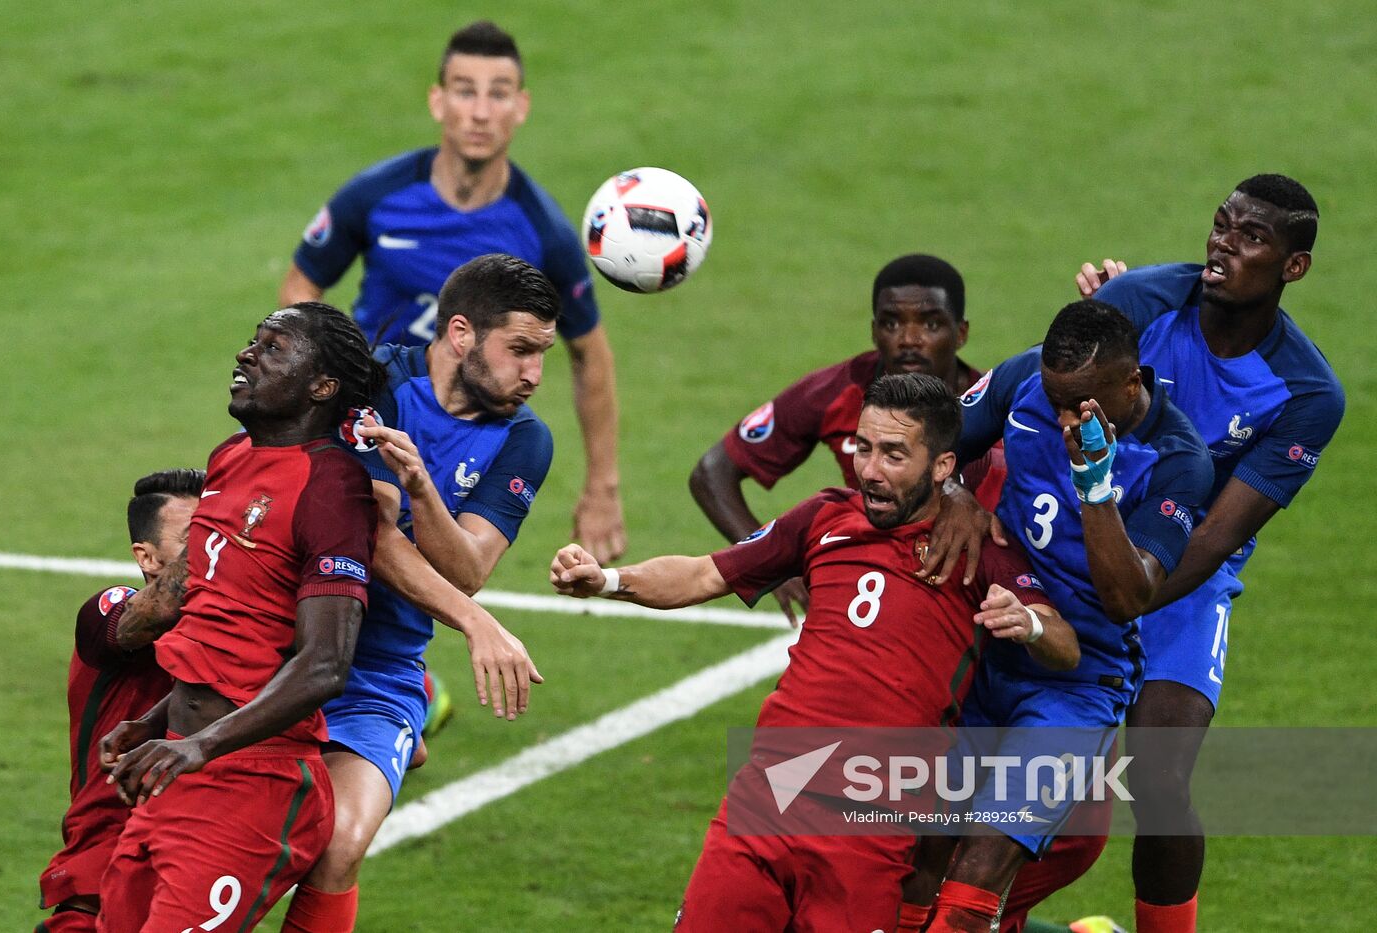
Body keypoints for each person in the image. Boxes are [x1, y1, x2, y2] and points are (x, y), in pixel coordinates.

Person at [553, 373, 1078, 932]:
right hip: (772, 793)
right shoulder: (825, 517)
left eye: (894, 455)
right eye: (864, 448)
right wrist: (607, 580)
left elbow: (1065, 646)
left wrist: (1027, 625)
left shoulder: (976, 551)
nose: (871, 471)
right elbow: (704, 574)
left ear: (943, 468)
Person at [1078, 174, 1344, 933]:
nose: (1224, 242)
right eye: (1222, 224)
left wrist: (1121, 602)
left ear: (1293, 268)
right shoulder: (1139, 305)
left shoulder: (1306, 393)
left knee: (1159, 777)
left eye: (1251, 237)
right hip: (1077, 547)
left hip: (1182, 578)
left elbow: (1217, 534)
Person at [900, 301, 1215, 933]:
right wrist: (958, 491)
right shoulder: (1024, 382)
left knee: (979, 870)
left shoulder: (1179, 462)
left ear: (1133, 385)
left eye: (1083, 405)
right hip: (983, 647)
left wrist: (1093, 482)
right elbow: (935, 450)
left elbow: (1129, 598)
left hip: (1075, 685)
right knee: (920, 858)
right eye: (1056, 399)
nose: (1065, 417)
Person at [280, 19, 626, 563]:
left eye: (499, 94)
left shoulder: (543, 231)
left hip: (460, 430)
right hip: (367, 411)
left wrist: (602, 487)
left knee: (419, 571)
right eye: (465, 91)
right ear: (438, 101)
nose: (481, 112)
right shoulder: (377, 195)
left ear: (522, 107)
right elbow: (301, 285)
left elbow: (590, 352)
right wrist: (326, 381)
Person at [279, 253, 552, 933]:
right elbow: (368, 533)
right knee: (242, 848)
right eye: (519, 349)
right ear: (460, 333)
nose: (534, 374)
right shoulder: (377, 382)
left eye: (543, 353)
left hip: (378, 674)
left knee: (338, 846)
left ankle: (415, 713)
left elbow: (469, 567)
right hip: (285, 647)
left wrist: (425, 489)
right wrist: (476, 624)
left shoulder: (524, 439)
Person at [95, 303, 383, 932]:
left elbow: (326, 664)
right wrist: (156, 722)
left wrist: (203, 744)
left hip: (255, 781)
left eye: (275, 348)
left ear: (322, 388)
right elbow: (223, 628)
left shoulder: (331, 489)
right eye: (254, 341)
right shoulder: (230, 459)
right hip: (177, 767)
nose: (246, 355)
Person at [690, 253, 1003, 623]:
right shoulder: (835, 392)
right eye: (891, 323)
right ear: (874, 332)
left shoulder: (999, 411)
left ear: (961, 333)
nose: (909, 339)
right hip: (878, 595)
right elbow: (712, 472)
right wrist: (772, 566)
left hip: (984, 596)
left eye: (931, 324)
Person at [34, 469, 203, 933]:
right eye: (198, 534)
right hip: (103, 872)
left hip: (194, 861)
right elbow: (148, 619)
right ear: (145, 556)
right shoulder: (110, 609)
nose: (215, 544)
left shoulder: (239, 626)